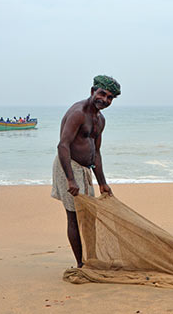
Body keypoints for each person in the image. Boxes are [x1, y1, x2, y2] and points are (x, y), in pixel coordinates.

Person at [51, 75, 121, 268]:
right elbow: (63, 146)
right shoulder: (78, 113)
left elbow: (96, 152)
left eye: (110, 98)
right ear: (93, 91)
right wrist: (70, 180)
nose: (105, 100)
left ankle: (91, 259)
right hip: (68, 167)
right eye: (102, 94)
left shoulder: (100, 120)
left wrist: (103, 182)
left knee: (89, 216)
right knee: (74, 216)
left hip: (85, 170)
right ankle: (80, 264)